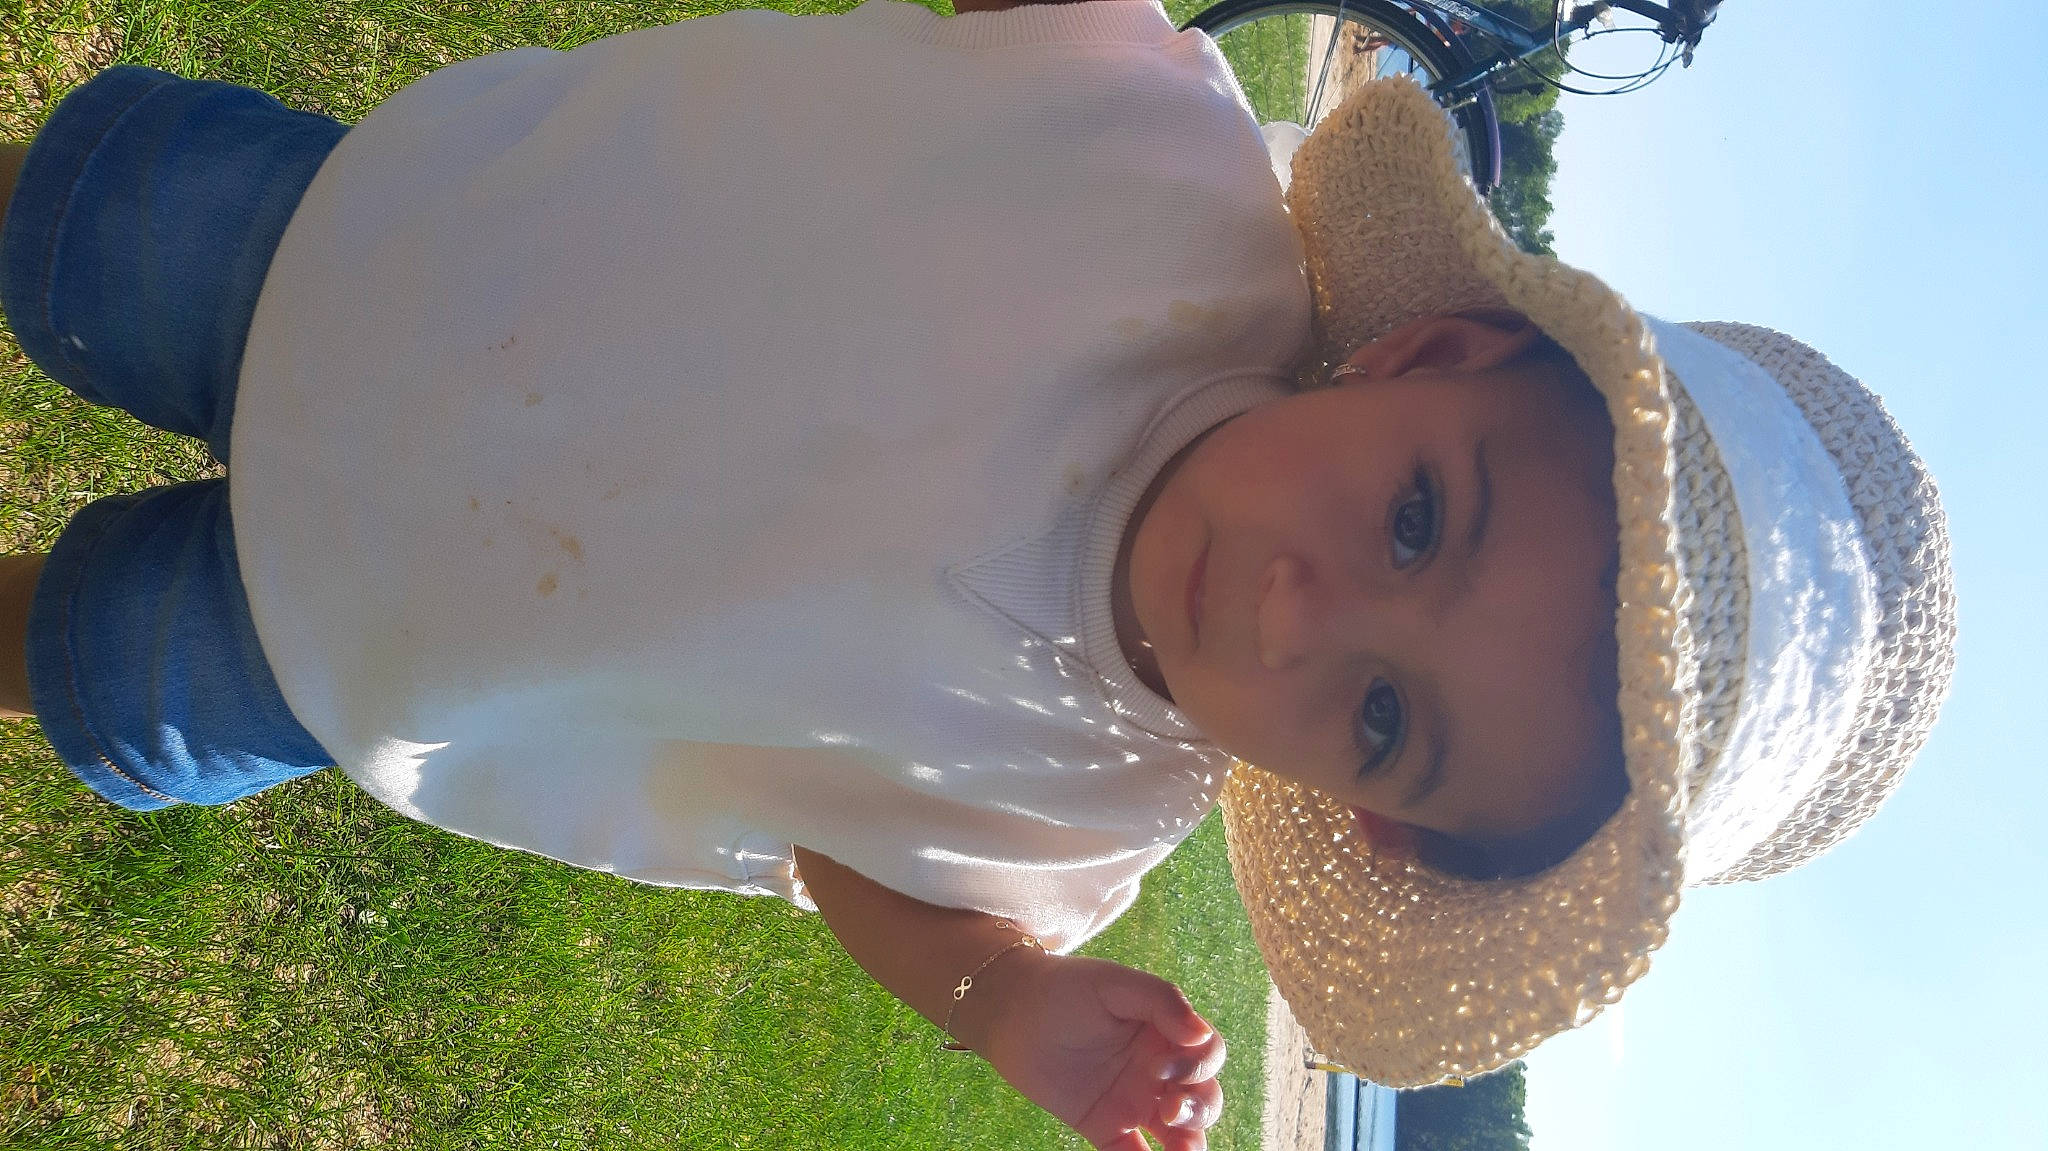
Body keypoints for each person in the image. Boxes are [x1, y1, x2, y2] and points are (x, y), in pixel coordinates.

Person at [0, 1, 1956, 1147]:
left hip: (355, 651)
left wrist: (993, 1002)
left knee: (81, 661)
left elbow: (851, 858)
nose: (1297, 612)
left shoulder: (1079, 817)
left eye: (1383, 715)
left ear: (1369, 810)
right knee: (72, 228)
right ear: (1420, 354)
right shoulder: (1148, 166)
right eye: (1416, 520)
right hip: (357, 256)